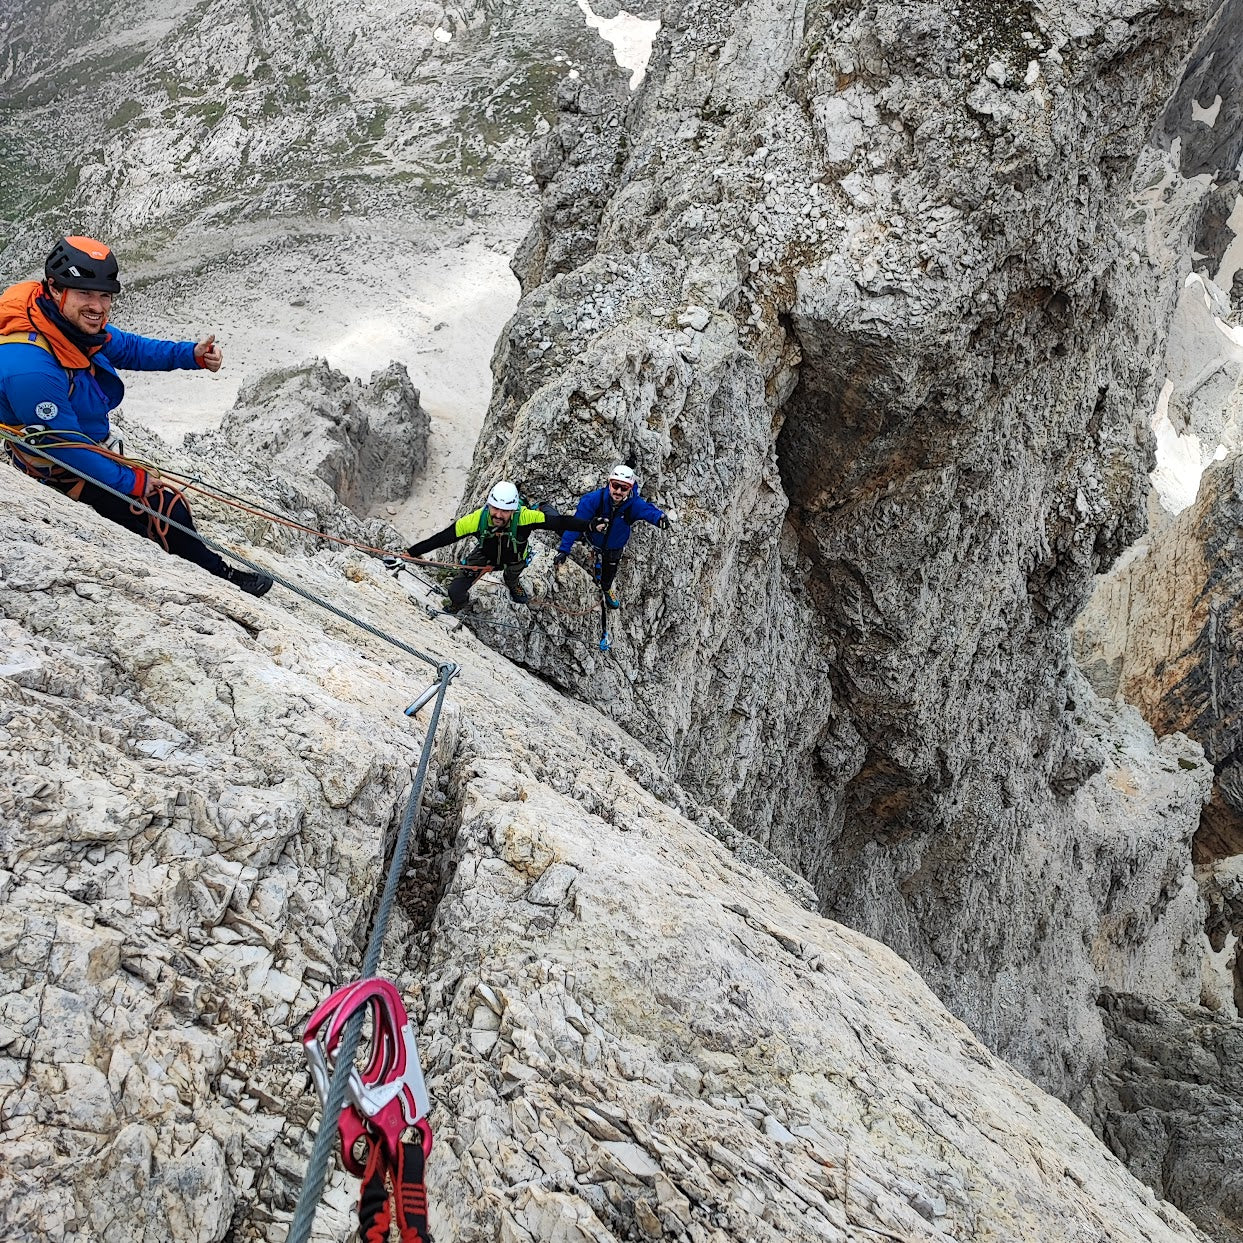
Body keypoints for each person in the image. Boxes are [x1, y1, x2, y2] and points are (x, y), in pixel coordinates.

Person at [0, 236, 272, 596]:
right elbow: (66, 449)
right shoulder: (30, 367)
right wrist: (135, 484)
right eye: (85, 294)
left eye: (105, 295)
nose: (98, 306)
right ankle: (223, 580)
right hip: (56, 471)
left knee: (162, 507)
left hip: (81, 446)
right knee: (164, 510)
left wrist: (190, 355)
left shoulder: (61, 323)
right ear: (55, 288)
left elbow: (128, 347)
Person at [402, 480, 605, 613]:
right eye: (495, 509)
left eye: (505, 511)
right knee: (455, 591)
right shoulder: (475, 520)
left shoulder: (525, 517)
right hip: (485, 556)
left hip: (514, 558)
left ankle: (512, 582)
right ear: (489, 505)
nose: (498, 515)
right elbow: (442, 538)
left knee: (511, 576)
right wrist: (412, 553)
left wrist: (589, 525)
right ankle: (460, 603)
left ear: (514, 509)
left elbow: (560, 522)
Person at [552, 464, 668, 607]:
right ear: (609, 483)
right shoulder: (594, 500)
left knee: (610, 572)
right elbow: (576, 524)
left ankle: (606, 589)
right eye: (615, 486)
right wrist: (564, 550)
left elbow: (647, 511)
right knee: (561, 527)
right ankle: (544, 508)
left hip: (614, 546)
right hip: (590, 537)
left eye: (624, 488)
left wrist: (659, 518)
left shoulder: (633, 504)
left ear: (630, 489)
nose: (618, 491)